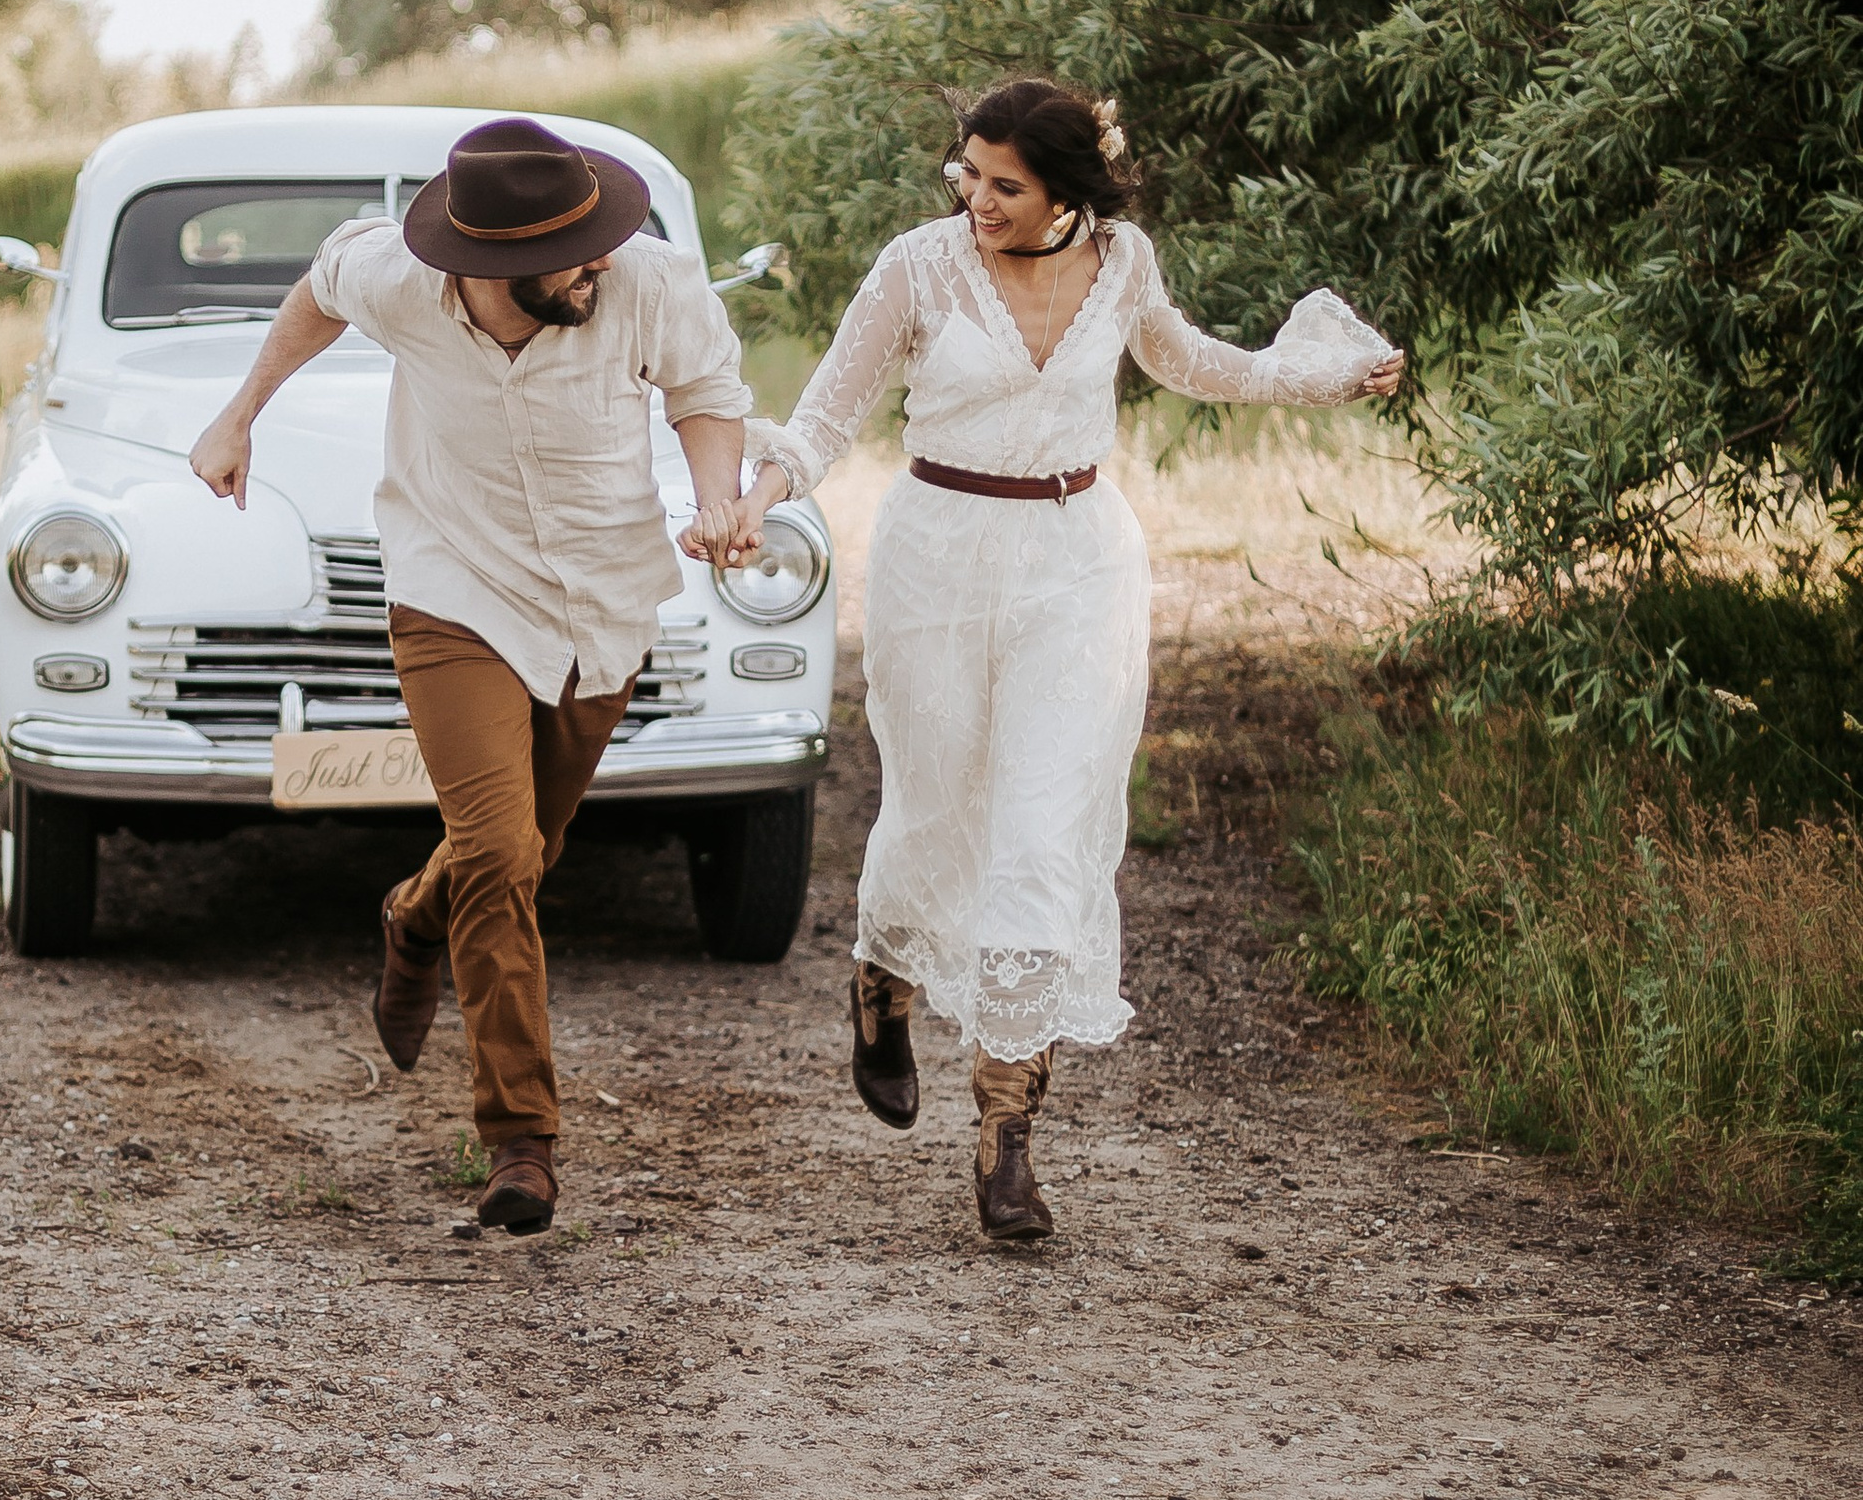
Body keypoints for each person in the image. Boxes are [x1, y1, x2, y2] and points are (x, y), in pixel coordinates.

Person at [747, 76, 1403, 1244]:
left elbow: (1193, 362)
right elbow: (823, 416)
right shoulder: (917, 265)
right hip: (937, 557)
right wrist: (762, 488)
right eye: (968, 174)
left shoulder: (1126, 262)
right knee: (937, 807)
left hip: (1076, 561)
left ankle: (1007, 1138)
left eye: (1004, 185)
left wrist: (1321, 373)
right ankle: (881, 982)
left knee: (1044, 833)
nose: (975, 198)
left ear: (1066, 193)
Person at [188, 115, 781, 1235]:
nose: (596, 261)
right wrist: (239, 414)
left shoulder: (644, 281)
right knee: (503, 852)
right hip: (450, 586)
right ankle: (520, 1140)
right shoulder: (400, 279)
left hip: (600, 599)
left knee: (522, 848)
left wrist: (712, 497)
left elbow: (706, 392)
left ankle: (413, 920)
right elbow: (318, 291)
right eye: (568, 255)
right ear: (487, 268)